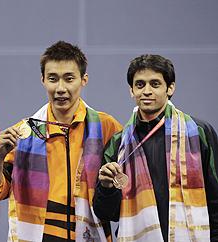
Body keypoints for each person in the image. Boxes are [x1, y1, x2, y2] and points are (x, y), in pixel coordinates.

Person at [0, 41, 122, 241]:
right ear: (43, 80)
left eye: (69, 79)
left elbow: (124, 192)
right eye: (53, 79)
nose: (60, 88)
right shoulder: (23, 133)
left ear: (84, 80)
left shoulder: (106, 127)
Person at [93, 54, 218, 241]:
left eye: (155, 84)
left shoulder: (199, 132)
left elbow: (216, 198)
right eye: (140, 84)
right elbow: (107, 214)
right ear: (131, 90)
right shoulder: (118, 144)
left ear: (170, 88)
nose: (147, 91)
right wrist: (106, 187)